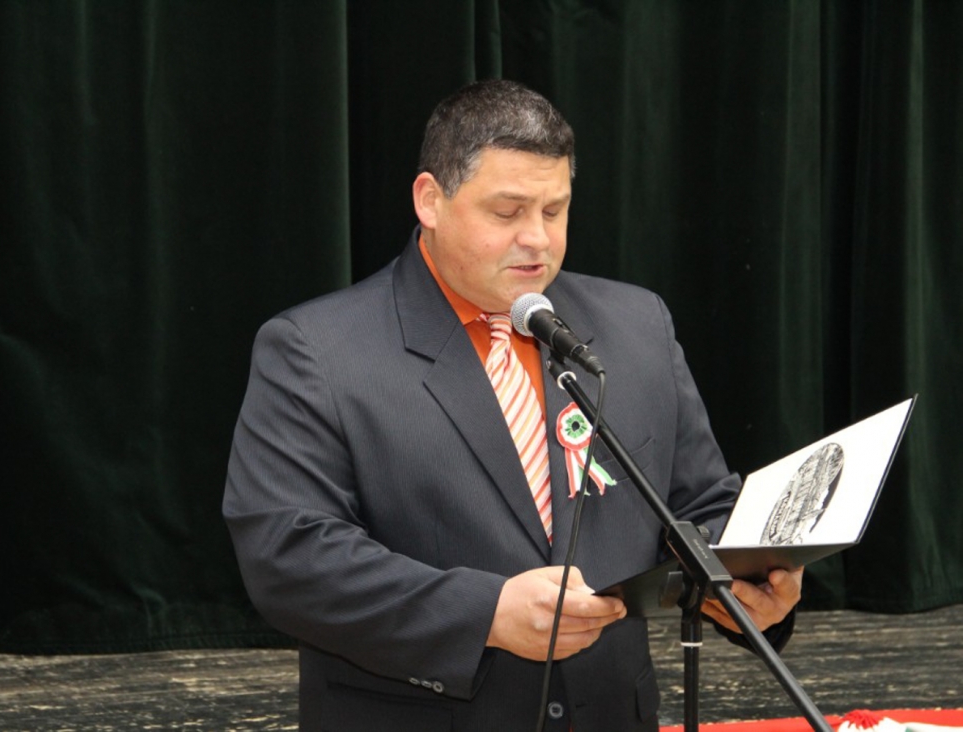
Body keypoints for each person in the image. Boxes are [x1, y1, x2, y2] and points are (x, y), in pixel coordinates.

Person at [222, 79, 802, 731]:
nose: (538, 239)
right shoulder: (315, 350)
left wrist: (751, 582)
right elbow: (290, 557)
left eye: (555, 211)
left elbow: (699, 505)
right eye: (507, 212)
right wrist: (487, 613)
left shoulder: (637, 325)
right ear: (430, 200)